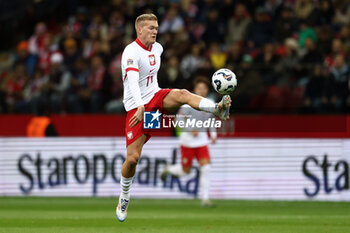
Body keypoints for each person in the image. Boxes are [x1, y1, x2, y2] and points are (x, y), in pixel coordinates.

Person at [116, 13, 231, 222]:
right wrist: (141, 106)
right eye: (150, 27)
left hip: (156, 97)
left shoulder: (158, 48)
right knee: (133, 159)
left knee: (183, 94)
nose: (155, 31)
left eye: (156, 27)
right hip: (137, 106)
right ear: (139, 30)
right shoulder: (130, 52)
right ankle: (124, 197)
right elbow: (132, 80)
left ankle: (217, 108)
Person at [161, 76, 217, 207]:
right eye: (199, 88)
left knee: (206, 168)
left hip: (202, 142)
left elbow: (212, 120)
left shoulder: (210, 103)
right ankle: (169, 169)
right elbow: (178, 121)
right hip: (187, 142)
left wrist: (213, 134)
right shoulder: (188, 104)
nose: (202, 91)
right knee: (185, 171)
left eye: (204, 88)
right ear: (195, 90)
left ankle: (205, 199)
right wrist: (191, 128)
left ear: (207, 90)